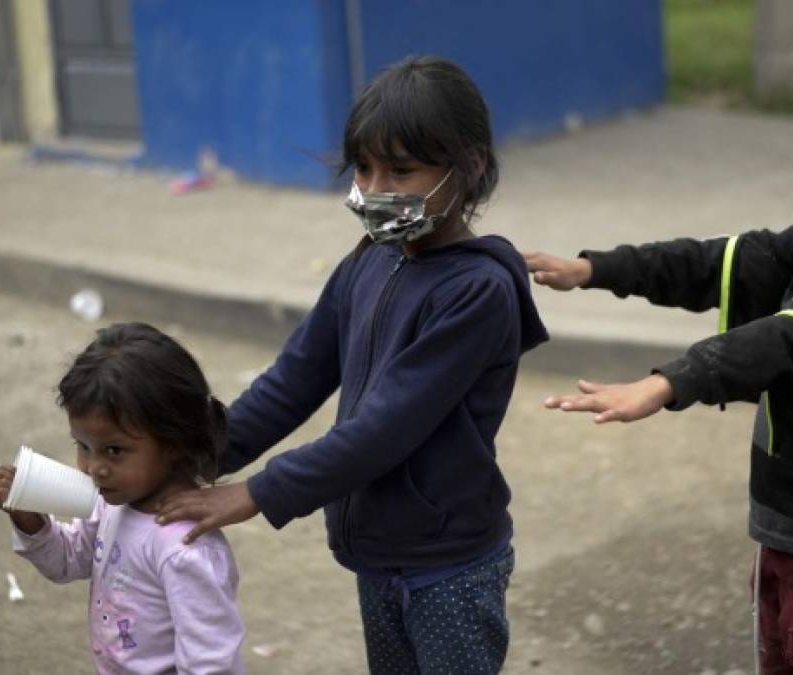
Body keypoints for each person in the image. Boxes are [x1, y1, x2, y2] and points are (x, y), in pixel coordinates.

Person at [525, 47, 793, 672]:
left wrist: (667, 384)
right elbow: (713, 261)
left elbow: (789, 340)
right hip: (785, 528)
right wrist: (595, 269)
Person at [155, 55, 548, 674]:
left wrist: (257, 492)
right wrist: (196, 458)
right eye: (364, 167)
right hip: (380, 554)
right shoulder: (370, 259)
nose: (374, 188)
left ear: (467, 169)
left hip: (448, 563)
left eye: (401, 169)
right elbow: (294, 378)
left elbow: (384, 429)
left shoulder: (478, 293)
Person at [0, 322, 245, 674]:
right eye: (83, 446)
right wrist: (28, 519)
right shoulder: (113, 501)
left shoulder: (186, 548)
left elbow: (211, 664)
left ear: (173, 443)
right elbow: (69, 561)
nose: (94, 467)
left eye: (114, 450)